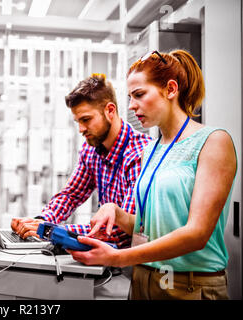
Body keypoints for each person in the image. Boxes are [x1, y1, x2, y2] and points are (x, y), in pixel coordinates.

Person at [68, 50, 236, 300]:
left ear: (170, 89)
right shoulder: (151, 149)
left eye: (139, 95)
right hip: (144, 281)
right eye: (130, 97)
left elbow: (196, 234)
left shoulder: (213, 142)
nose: (132, 105)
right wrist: (116, 211)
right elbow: (153, 227)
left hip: (190, 287)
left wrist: (116, 257)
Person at [11, 73, 151, 248]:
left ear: (110, 110)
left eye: (86, 120)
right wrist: (40, 222)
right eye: (78, 121)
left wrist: (50, 232)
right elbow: (71, 195)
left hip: (129, 262)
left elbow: (118, 233)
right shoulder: (91, 149)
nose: (81, 129)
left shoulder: (140, 154)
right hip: (103, 258)